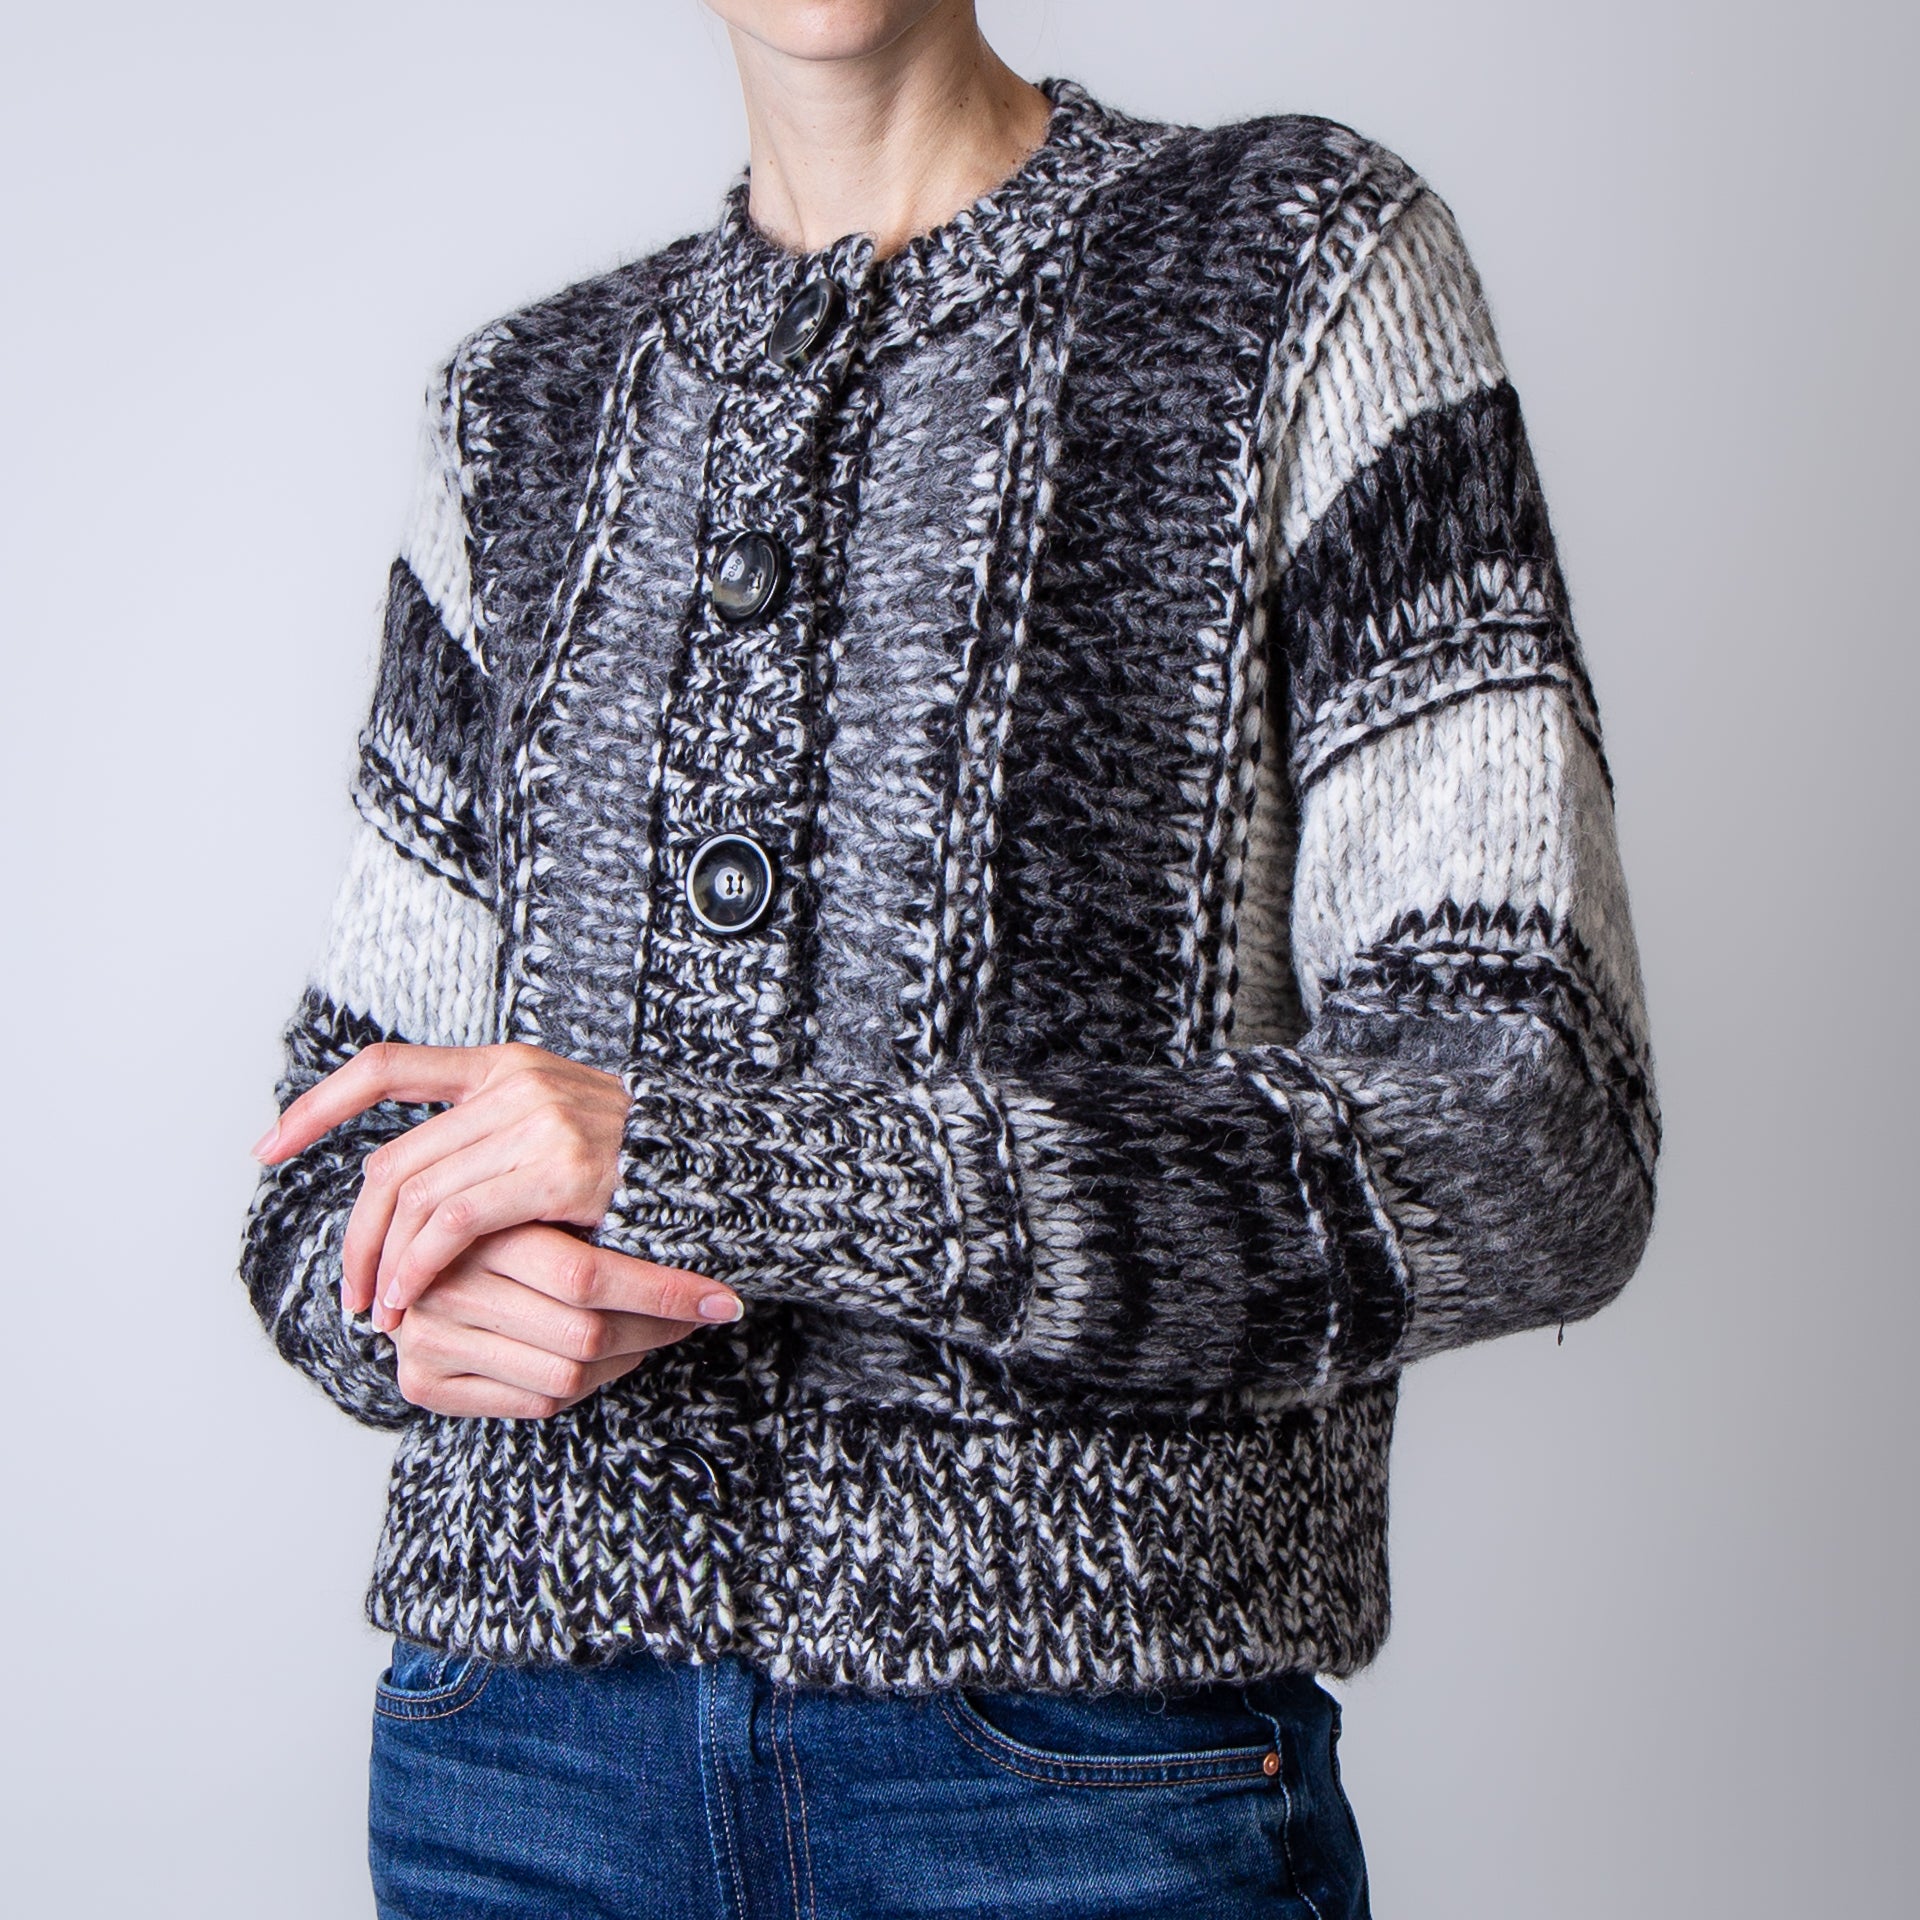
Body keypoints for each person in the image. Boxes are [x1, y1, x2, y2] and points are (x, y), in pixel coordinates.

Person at [240, 2, 1658, 1913]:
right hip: (518, 1765)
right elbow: (325, 1158)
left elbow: (1535, 1123)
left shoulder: (1297, 268)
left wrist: (726, 1172)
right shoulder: (521, 407)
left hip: (1074, 1780)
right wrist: (407, 1304)